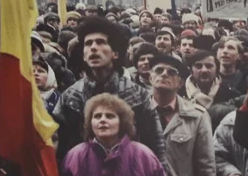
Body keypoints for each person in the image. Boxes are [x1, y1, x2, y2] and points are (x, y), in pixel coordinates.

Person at [54, 17, 166, 163]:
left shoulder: (137, 94)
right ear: (83, 55)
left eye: (101, 42)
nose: (93, 47)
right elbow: (60, 148)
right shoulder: (70, 97)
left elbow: (155, 145)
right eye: (88, 44)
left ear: (115, 53)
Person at [61, 93, 167, 176]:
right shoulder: (75, 156)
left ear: (122, 122)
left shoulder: (143, 154)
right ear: (90, 122)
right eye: (97, 116)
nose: (102, 120)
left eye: (110, 116)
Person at [149, 55, 215, 176]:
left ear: (180, 83)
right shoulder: (136, 112)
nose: (164, 74)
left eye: (171, 72)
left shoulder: (197, 116)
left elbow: (206, 166)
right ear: (150, 77)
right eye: (159, 70)